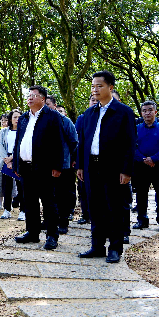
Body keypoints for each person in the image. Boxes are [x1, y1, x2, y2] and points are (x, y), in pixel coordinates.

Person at [77, 71, 136, 264]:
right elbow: (83, 141)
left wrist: (126, 170)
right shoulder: (89, 113)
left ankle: (115, 248)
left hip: (113, 168)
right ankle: (97, 246)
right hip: (91, 167)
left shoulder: (123, 112)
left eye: (99, 86)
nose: (95, 90)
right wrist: (80, 166)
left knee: (115, 208)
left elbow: (129, 143)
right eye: (93, 86)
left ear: (110, 87)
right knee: (95, 207)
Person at [12, 85, 64, 250]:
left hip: (45, 167)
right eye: (29, 95)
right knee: (29, 202)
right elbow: (18, 142)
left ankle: (51, 236)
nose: (30, 98)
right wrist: (16, 163)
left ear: (43, 99)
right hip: (26, 167)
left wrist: (57, 166)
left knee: (48, 202)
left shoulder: (52, 117)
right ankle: (32, 233)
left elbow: (58, 143)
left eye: (34, 95)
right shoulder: (23, 118)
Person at [132, 101, 159, 233]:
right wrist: (143, 159)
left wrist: (153, 158)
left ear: (155, 112)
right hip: (141, 165)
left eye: (150, 110)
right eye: (144, 110)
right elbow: (132, 146)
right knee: (141, 193)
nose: (147, 113)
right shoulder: (137, 129)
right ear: (141, 113)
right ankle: (142, 219)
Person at [46, 96, 78, 234]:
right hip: (44, 165)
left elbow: (74, 142)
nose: (45, 107)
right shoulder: (39, 120)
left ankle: (63, 222)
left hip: (64, 164)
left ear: (54, 105)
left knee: (62, 195)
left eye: (48, 104)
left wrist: (73, 159)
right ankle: (48, 220)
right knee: (48, 195)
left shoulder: (65, 121)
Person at [74, 95, 98, 225]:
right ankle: (85, 214)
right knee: (83, 190)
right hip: (85, 161)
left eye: (97, 100)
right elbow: (78, 141)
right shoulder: (83, 118)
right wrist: (79, 164)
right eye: (92, 100)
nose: (95, 102)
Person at [0, 109, 21, 220]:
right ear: (11, 119)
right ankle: (7, 209)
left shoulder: (23, 130)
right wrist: (7, 159)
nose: (17, 119)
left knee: (21, 186)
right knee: (7, 186)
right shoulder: (4, 131)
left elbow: (23, 146)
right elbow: (0, 146)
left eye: (19, 117)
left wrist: (13, 158)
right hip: (6, 160)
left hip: (19, 160)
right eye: (14, 117)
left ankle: (23, 211)